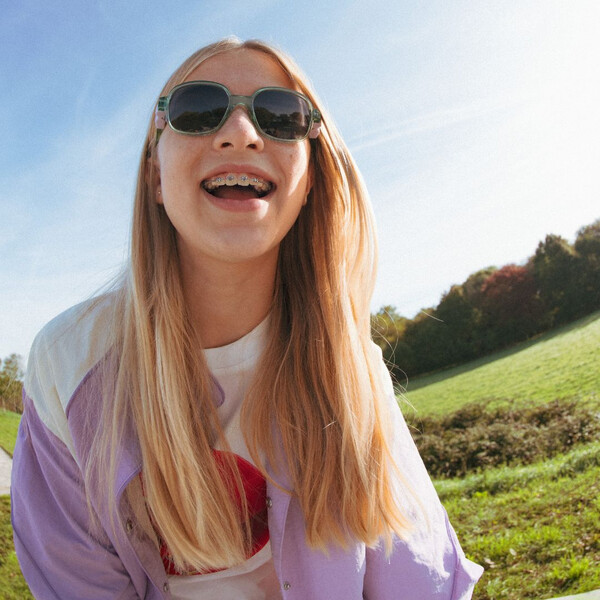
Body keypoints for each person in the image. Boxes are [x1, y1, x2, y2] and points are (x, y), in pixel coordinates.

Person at [11, 37, 483, 599]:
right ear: (155, 177)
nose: (240, 132)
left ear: (310, 181)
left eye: (281, 116)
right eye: (197, 109)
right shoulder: (68, 364)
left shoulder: (352, 363)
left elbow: (417, 578)